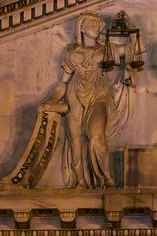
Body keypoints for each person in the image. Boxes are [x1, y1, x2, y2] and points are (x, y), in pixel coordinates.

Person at [45, 13, 128, 187]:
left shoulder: (105, 49)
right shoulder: (72, 55)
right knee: (75, 141)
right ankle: (80, 181)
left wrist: (130, 29)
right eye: (92, 23)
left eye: (99, 25)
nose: (97, 26)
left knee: (96, 136)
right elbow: (62, 83)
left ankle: (107, 179)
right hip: (75, 96)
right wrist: (51, 100)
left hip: (99, 96)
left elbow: (132, 50)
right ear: (81, 28)